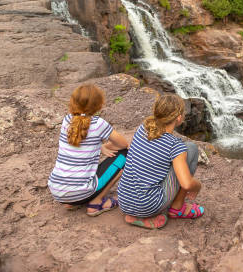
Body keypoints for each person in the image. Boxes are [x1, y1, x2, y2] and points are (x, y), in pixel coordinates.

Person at [118, 94, 204, 229]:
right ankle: (177, 208)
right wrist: (198, 186)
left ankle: (134, 215)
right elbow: (187, 184)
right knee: (191, 148)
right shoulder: (175, 146)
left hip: (124, 201)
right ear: (179, 118)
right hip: (149, 206)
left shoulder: (143, 128)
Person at [48, 84, 129, 216]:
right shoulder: (98, 124)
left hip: (56, 190)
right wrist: (104, 146)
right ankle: (96, 203)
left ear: (73, 102)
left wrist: (100, 147)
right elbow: (123, 144)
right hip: (80, 192)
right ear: (99, 105)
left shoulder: (66, 120)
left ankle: (71, 202)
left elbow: (79, 141)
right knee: (125, 155)